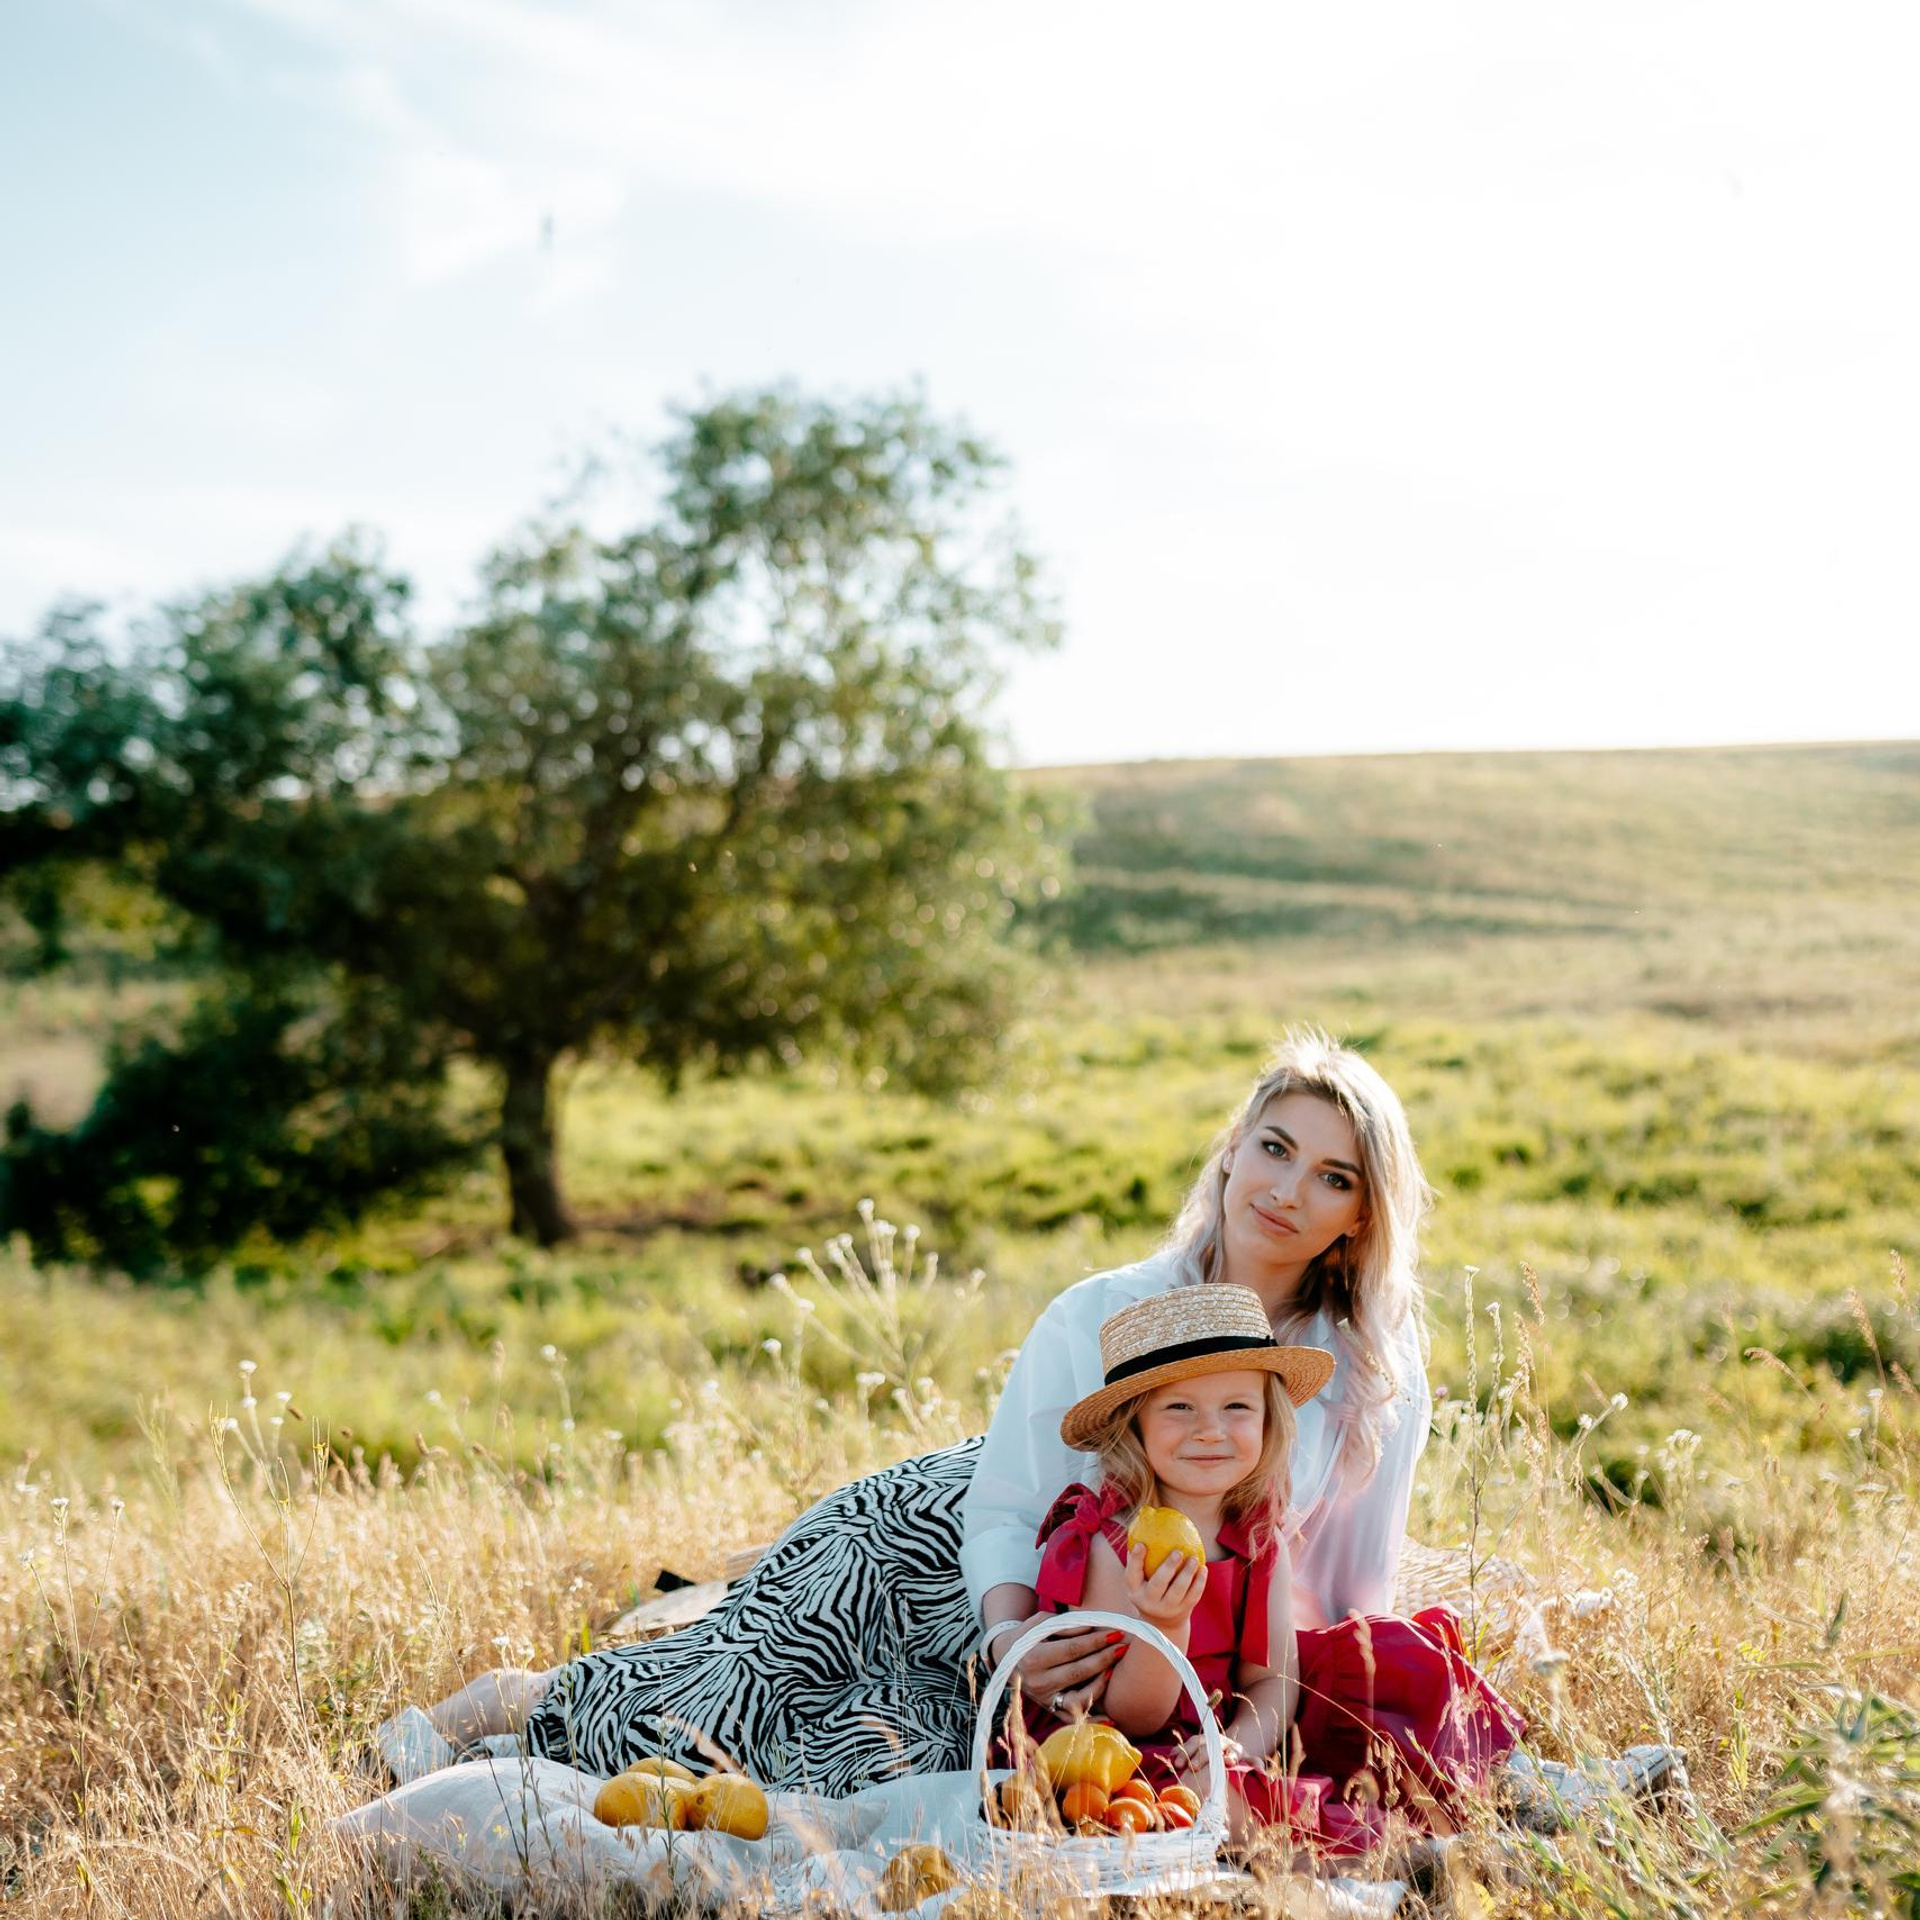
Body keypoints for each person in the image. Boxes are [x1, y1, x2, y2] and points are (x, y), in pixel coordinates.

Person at [397, 1029, 1444, 1799]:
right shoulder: (1100, 1311)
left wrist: (1243, 1713)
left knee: (869, 1767)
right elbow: (1008, 1497)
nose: (1286, 1189)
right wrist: (1008, 1637)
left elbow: (1344, 1591)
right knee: (736, 1686)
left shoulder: (1364, 1379)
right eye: (1272, 1148)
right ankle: (517, 1704)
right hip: (956, 1545)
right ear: (1229, 1153)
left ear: (1359, 1219)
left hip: (1152, 1641)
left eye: (1332, 1175)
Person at [1004, 1285, 1522, 1852]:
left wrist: (1240, 1745)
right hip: (1120, 1746)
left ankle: (1496, 1787)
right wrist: (1165, 1625)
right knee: (1205, 1797)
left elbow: (1273, 1678)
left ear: (1268, 1422)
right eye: (1179, 1407)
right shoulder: (1110, 1545)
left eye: (1237, 1407)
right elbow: (1134, 1717)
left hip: (1228, 1725)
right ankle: (1378, 1868)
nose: (1210, 1429)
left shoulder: (1258, 1536)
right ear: (1136, 1426)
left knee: (1399, 1657)